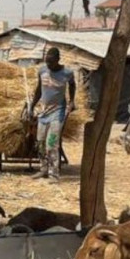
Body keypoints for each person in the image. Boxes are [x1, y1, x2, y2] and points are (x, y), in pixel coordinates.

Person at [27, 47, 76, 180]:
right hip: (43, 112)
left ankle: (53, 173)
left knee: (52, 143)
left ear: (58, 60)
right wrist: (31, 106)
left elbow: (72, 85)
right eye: (47, 63)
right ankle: (43, 169)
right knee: (40, 142)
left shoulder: (67, 73)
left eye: (52, 63)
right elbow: (39, 89)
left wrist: (72, 101)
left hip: (57, 112)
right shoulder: (42, 71)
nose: (49, 65)